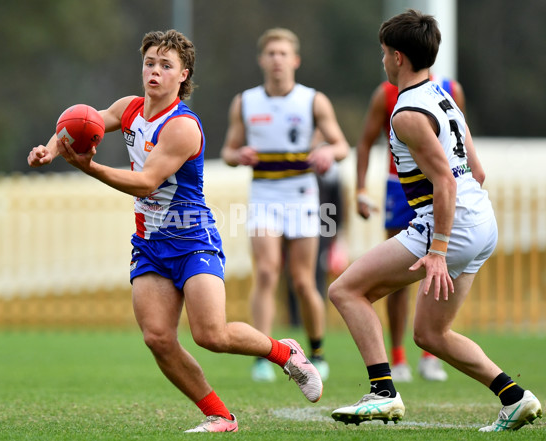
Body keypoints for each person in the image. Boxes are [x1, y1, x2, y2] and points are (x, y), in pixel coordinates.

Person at [27, 29, 323, 433]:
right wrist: (51, 148)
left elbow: (147, 182)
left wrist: (89, 167)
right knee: (158, 338)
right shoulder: (129, 108)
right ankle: (220, 415)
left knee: (211, 334)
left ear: (183, 75)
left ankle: (284, 353)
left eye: (166, 66)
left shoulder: (183, 127)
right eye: (150, 62)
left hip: (192, 239)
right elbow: (81, 123)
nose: (155, 71)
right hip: (149, 244)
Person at [329, 10, 542, 431]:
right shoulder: (443, 97)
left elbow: (444, 181)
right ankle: (515, 398)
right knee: (430, 334)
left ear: (398, 57)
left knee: (346, 290)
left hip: (451, 225)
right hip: (481, 220)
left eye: (384, 54)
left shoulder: (407, 113)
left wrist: (439, 249)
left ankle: (383, 392)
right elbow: (474, 172)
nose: (383, 62)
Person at [221, 28, 350, 383]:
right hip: (264, 194)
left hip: (303, 196)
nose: (277, 59)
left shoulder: (312, 100)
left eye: (283, 53)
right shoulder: (245, 102)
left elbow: (341, 145)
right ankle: (263, 357)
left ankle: (317, 351)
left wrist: (327, 151)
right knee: (265, 273)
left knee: (303, 279)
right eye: (271, 53)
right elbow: (228, 151)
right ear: (262, 60)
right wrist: (238, 155)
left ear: (295, 60)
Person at [356, 74, 466, 382]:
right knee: (399, 275)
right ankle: (398, 356)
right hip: (400, 189)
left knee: (441, 266)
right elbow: (365, 142)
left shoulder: (450, 90)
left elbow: (460, 143)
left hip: (441, 186)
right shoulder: (385, 94)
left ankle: (431, 354)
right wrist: (360, 190)